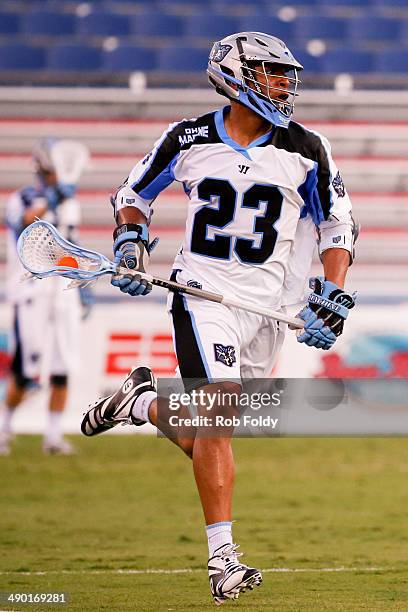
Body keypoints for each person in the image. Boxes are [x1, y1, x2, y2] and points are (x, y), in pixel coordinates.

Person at [81, 32, 358, 604]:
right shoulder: (187, 137)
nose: (284, 84)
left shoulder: (306, 147)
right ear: (235, 75)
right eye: (271, 72)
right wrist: (131, 242)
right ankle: (223, 559)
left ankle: (141, 402)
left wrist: (331, 291)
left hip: (269, 307)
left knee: (220, 429)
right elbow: (133, 192)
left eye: (286, 75)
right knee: (219, 415)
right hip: (201, 291)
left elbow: (337, 226)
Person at [0, 137, 91, 456]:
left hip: (63, 292)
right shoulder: (24, 197)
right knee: (26, 371)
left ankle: (52, 436)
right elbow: (22, 224)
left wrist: (85, 285)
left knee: (62, 368)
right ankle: (4, 427)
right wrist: (52, 200)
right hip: (31, 290)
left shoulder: (70, 203)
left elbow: (72, 247)